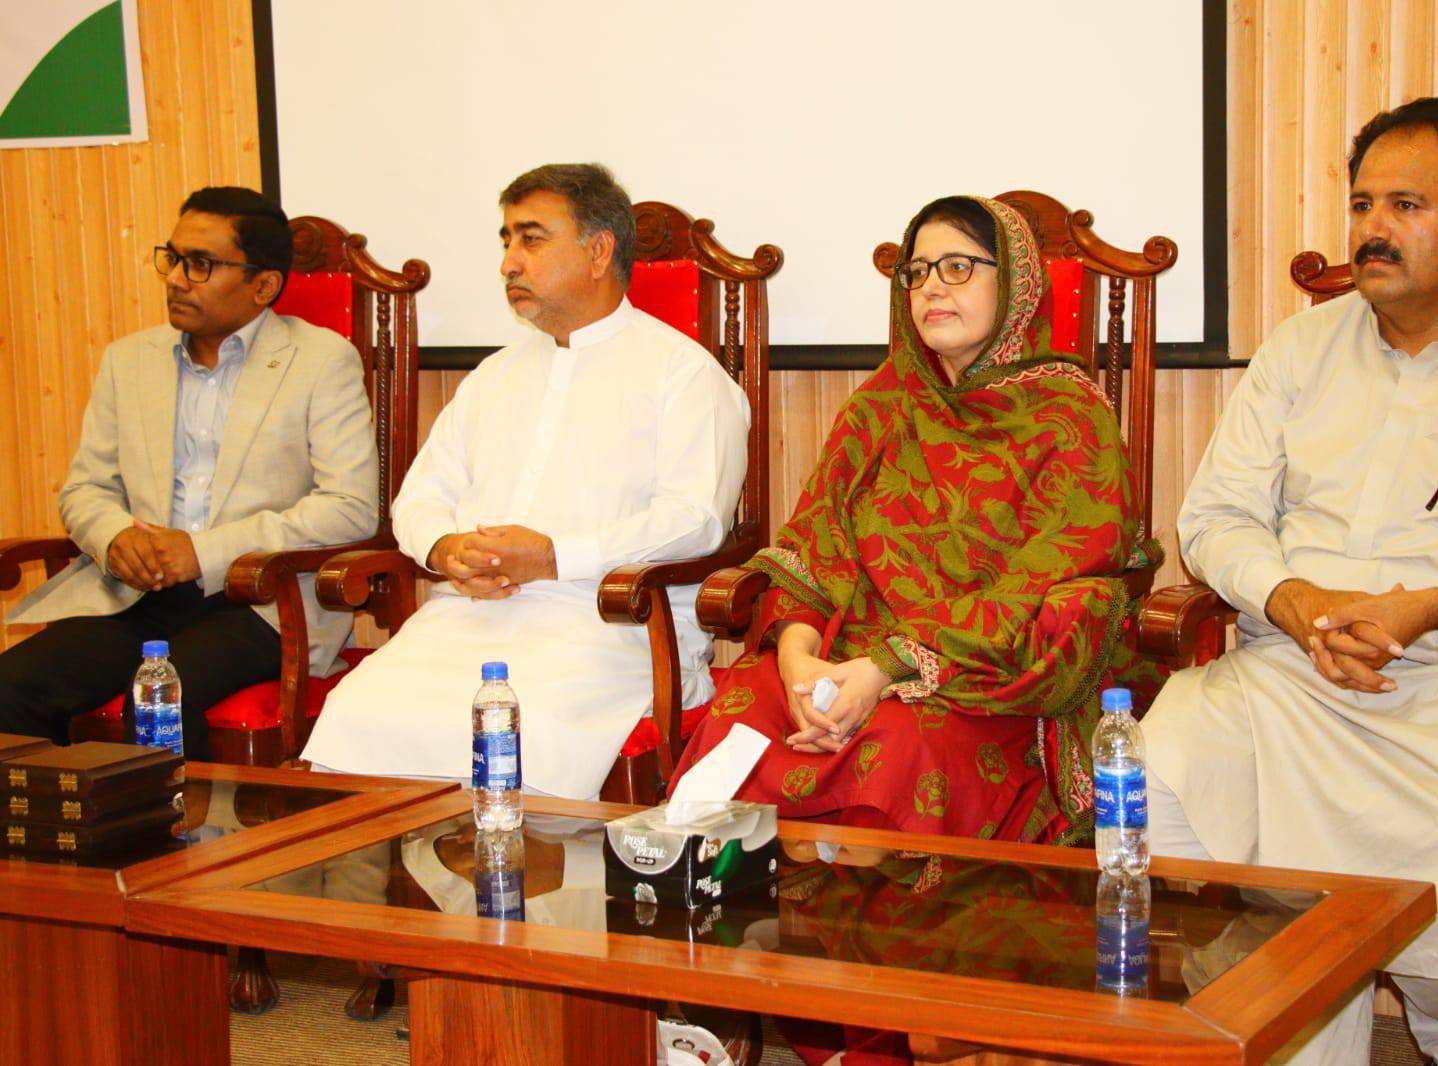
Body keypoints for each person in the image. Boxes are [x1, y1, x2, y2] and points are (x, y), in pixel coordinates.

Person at [1142, 97, 1438, 1065]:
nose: (1371, 229)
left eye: (1404, 205)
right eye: (1360, 206)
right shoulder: (1299, 348)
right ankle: (1297, 1012)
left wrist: (1434, 606)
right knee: (1160, 767)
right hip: (1294, 671)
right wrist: (1294, 601)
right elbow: (1212, 519)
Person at [669, 195, 1161, 845]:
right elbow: (813, 547)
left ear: (1014, 285)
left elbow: (1048, 584)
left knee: (900, 744)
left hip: (974, 677)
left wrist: (887, 668)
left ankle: (864, 904)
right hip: (844, 656)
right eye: (917, 271)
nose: (931, 286)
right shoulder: (882, 404)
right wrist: (797, 661)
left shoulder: (1068, 416)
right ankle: (727, 902)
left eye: (958, 267)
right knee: (745, 711)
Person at [301, 163, 748, 800]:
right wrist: (444, 549)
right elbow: (420, 497)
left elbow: (695, 520)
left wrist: (554, 556)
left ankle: (527, 866)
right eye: (506, 240)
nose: (509, 262)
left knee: (522, 729)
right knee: (364, 712)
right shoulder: (494, 375)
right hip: (466, 618)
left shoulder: (684, 374)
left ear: (599, 251)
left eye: (531, 239)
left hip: (610, 626)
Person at [0, 187, 379, 759]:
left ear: (263, 286)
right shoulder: (129, 360)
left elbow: (350, 508)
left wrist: (201, 553)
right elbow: (87, 488)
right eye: (173, 259)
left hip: (261, 601)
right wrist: (114, 538)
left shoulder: (321, 361)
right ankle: (61, 817)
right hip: (136, 596)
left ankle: (177, 822)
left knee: (159, 700)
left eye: (200, 264)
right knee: (10, 690)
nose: (176, 279)